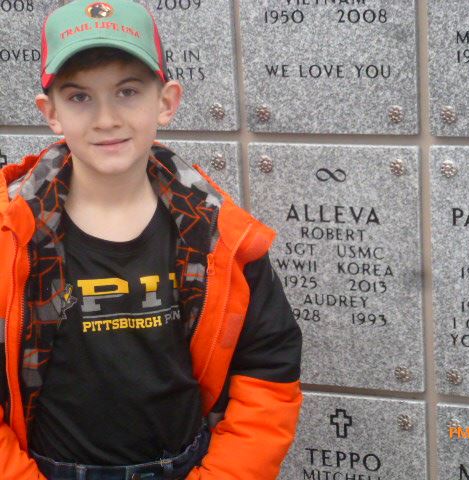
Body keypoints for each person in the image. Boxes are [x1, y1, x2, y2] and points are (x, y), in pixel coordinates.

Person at [0, 0, 303, 478]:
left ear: (166, 101)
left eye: (127, 92)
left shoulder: (217, 233)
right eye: (79, 97)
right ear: (50, 112)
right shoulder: (10, 236)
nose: (106, 119)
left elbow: (268, 366)